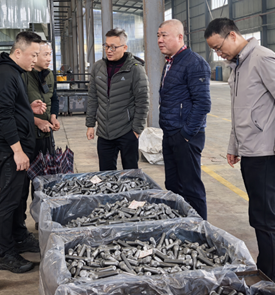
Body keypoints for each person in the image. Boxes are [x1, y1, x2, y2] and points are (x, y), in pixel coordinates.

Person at [204, 18, 275, 284]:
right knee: (258, 214)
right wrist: (234, 145)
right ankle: (263, 270)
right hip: (250, 151)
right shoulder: (237, 66)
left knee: (265, 217)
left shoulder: (263, 59)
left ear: (232, 35)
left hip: (267, 153)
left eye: (218, 47)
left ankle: (269, 280)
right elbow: (240, 111)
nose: (218, 53)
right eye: (214, 50)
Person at [0, 31, 47, 274]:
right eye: (33, 54)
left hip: (19, 147)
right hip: (12, 149)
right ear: (18, 52)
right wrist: (18, 151)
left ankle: (19, 236)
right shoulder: (4, 74)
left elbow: (13, 108)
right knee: (9, 200)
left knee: (19, 196)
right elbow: (3, 116)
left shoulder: (14, 72)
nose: (36, 59)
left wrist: (27, 108)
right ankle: (5, 254)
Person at [157, 19, 211, 220]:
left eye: (164, 35)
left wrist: (187, 134)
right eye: (158, 36)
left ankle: (199, 230)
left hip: (186, 136)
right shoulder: (171, 62)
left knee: (191, 188)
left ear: (180, 37)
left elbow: (203, 103)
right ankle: (179, 225)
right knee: (173, 185)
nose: (160, 40)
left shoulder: (194, 63)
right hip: (170, 133)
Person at [86, 28, 149, 171]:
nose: (109, 50)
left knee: (131, 174)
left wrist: (137, 130)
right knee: (106, 174)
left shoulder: (135, 69)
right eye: (106, 46)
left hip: (127, 131)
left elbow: (143, 101)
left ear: (124, 47)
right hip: (104, 133)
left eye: (113, 47)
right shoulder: (98, 67)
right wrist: (90, 124)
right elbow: (93, 97)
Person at [22, 42, 60, 191]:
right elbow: (16, 108)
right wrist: (37, 121)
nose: (49, 58)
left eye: (50, 54)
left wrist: (53, 117)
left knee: (45, 181)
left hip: (46, 135)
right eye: (46, 55)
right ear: (35, 55)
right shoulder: (23, 76)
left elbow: (54, 99)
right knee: (25, 181)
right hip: (28, 136)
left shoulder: (49, 75)